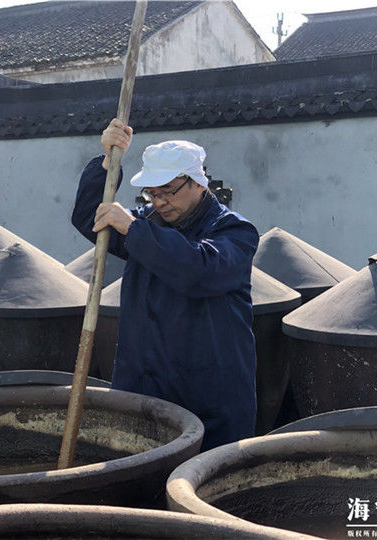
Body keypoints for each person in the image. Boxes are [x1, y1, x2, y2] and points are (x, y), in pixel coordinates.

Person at [71, 118, 260, 450]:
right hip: (146, 384)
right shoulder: (146, 223)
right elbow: (91, 216)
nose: (158, 201)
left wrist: (133, 228)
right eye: (151, 192)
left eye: (168, 191)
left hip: (207, 395)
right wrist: (107, 160)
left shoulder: (233, 231)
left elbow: (198, 270)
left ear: (198, 183)